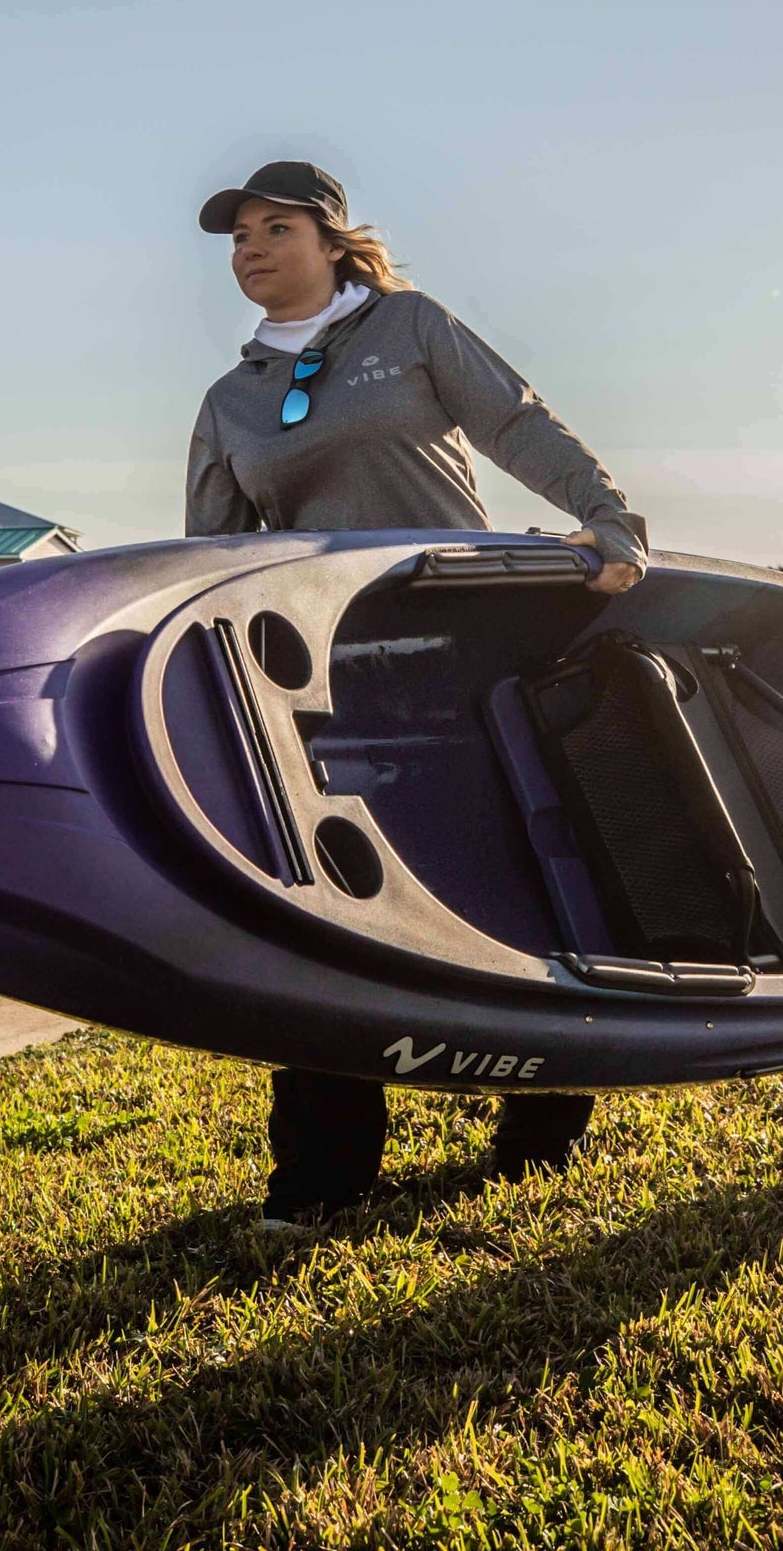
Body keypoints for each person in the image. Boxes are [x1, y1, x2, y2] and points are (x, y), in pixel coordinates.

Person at [185, 160, 648, 1230]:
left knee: (516, 876)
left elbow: (517, 422)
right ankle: (321, 1175)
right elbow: (213, 555)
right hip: (328, 677)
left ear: (332, 240)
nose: (250, 249)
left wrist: (607, 518)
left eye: (275, 228)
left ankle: (539, 1130)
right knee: (324, 906)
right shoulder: (230, 399)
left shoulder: (409, 327)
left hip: (463, 650)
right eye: (239, 236)